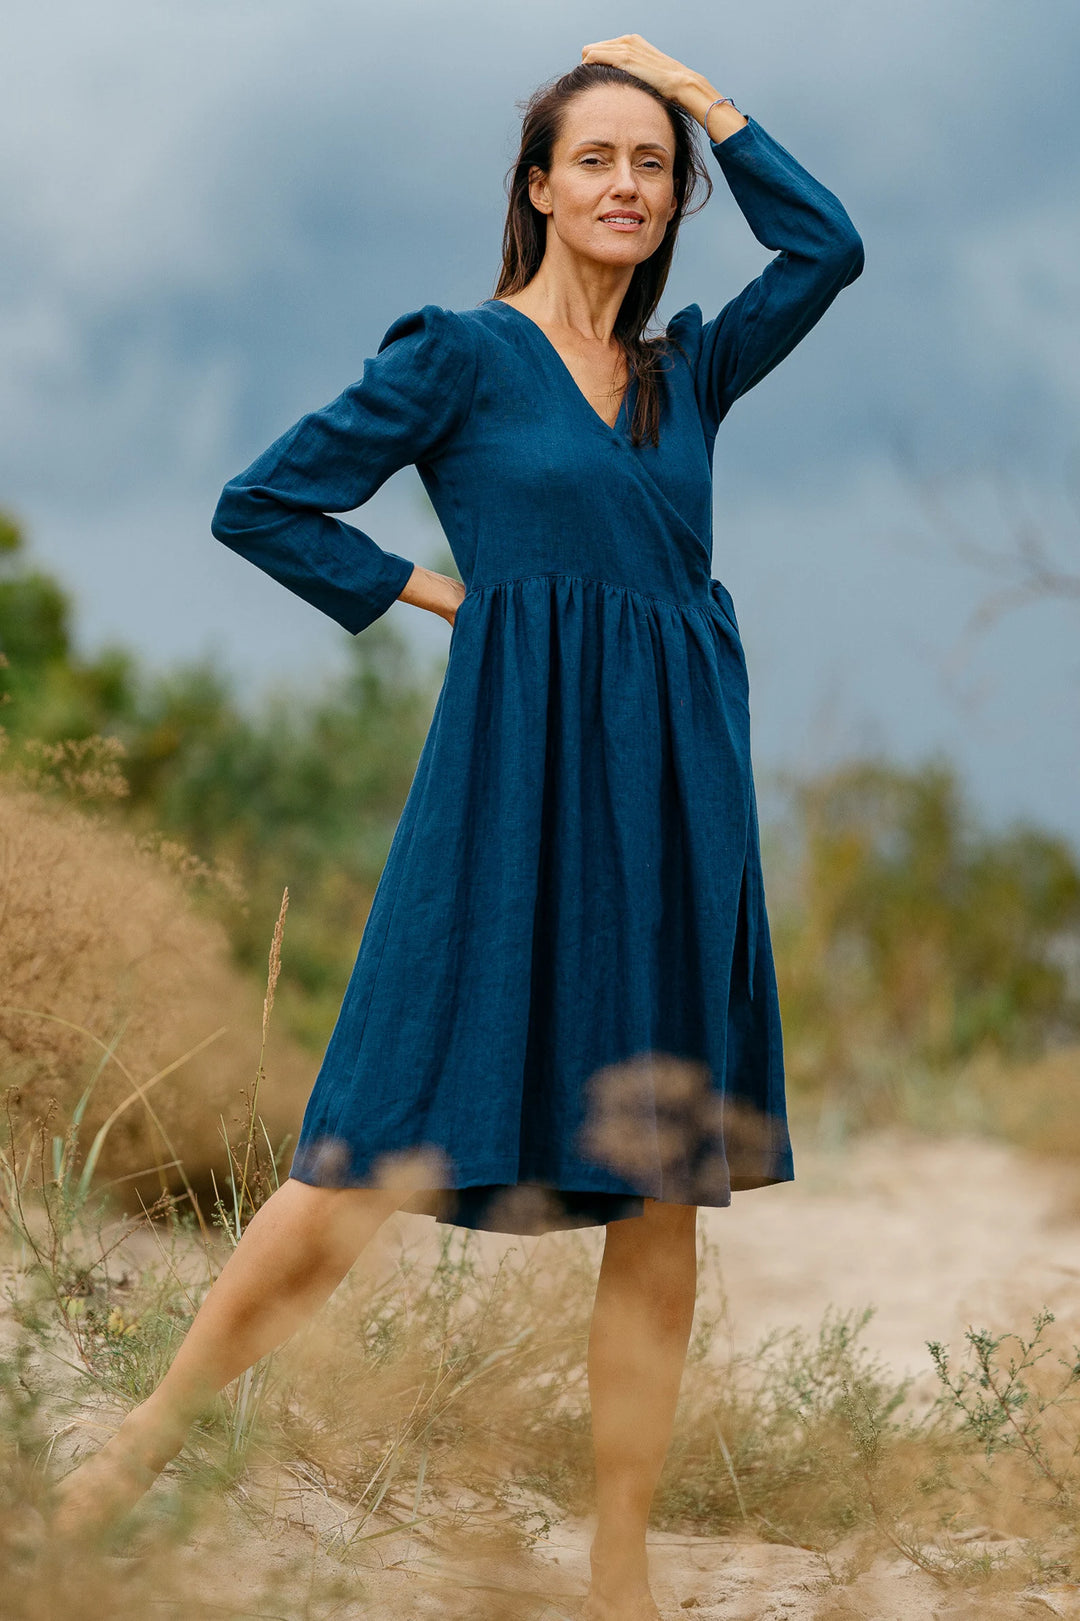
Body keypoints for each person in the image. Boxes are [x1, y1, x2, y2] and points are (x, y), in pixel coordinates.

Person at [52, 34, 863, 1621]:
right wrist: (440, 593)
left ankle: (617, 1566)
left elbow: (829, 246)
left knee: (662, 1172)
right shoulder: (458, 356)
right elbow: (265, 502)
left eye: (655, 166)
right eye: (599, 159)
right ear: (540, 187)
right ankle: (138, 1448)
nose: (629, 184)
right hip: (514, 767)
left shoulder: (691, 368)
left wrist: (702, 96)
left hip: (679, 786)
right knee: (372, 1129)